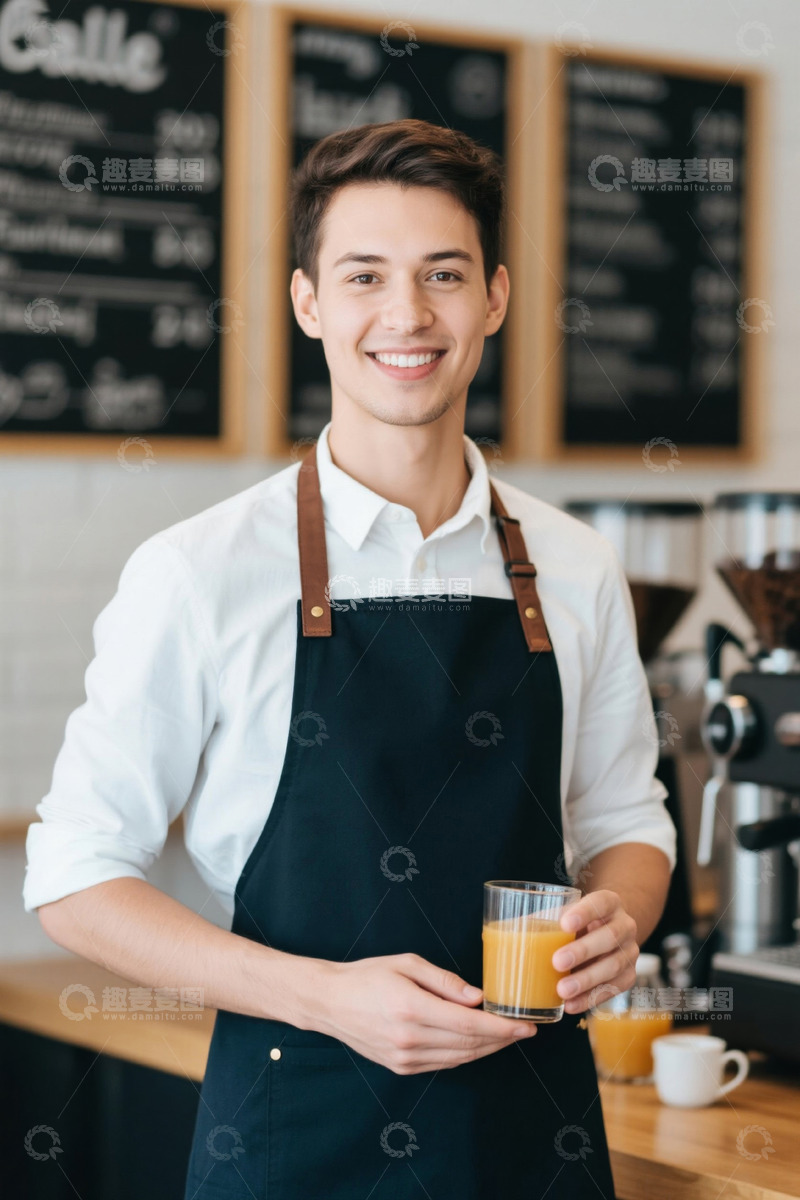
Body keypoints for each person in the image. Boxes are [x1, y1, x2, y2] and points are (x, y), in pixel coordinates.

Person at [25, 118, 675, 1199]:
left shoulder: (574, 566)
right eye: (364, 275)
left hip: (531, 1135)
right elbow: (75, 875)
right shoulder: (200, 571)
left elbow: (623, 823)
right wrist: (325, 998)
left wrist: (622, 915)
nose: (407, 316)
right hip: (292, 1133)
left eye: (443, 275)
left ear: (496, 299)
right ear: (308, 303)